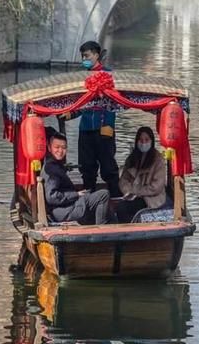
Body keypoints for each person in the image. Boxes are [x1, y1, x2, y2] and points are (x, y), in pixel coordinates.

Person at [76, 40, 121, 197]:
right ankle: (89, 198)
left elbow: (114, 102)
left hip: (104, 127)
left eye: (87, 56)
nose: (84, 59)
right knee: (86, 166)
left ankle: (116, 197)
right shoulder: (81, 77)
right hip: (86, 128)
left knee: (108, 166)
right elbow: (78, 103)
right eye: (82, 57)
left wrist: (109, 123)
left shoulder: (108, 75)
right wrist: (70, 113)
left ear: (96, 55)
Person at [41, 133, 110, 225]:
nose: (60, 151)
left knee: (100, 203)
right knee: (104, 195)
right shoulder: (51, 169)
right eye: (57, 147)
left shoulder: (53, 165)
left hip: (65, 208)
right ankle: (102, 231)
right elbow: (52, 197)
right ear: (49, 148)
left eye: (64, 148)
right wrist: (76, 194)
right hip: (63, 211)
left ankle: (113, 227)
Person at [117, 126, 167, 223]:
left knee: (124, 208)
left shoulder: (158, 160)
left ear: (151, 141)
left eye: (146, 140)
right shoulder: (132, 158)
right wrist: (128, 191)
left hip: (150, 198)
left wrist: (137, 192)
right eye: (141, 140)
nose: (143, 143)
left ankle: (129, 231)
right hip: (132, 195)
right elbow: (123, 180)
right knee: (120, 206)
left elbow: (157, 187)